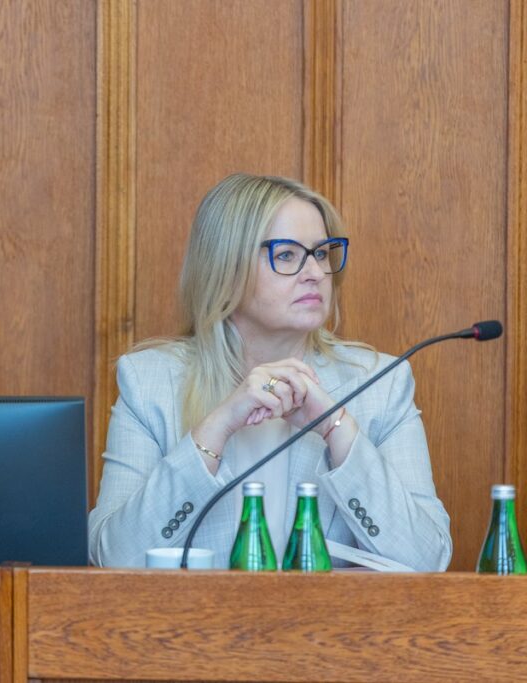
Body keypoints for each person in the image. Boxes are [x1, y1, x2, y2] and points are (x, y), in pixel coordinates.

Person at [88, 173, 451, 571]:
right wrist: (216, 428)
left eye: (322, 252)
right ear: (225, 271)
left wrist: (337, 429)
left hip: (334, 630)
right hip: (197, 629)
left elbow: (428, 560)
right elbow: (113, 558)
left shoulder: (379, 383)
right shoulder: (151, 383)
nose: (314, 272)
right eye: (286, 255)